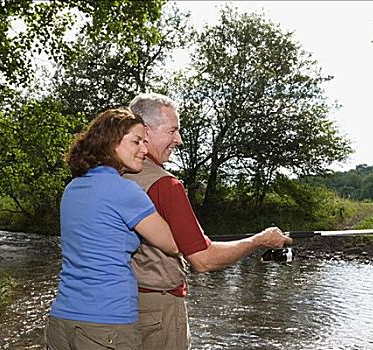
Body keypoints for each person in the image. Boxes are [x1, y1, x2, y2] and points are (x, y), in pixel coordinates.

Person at [124, 93, 293, 350]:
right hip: (159, 313)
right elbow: (203, 260)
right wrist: (260, 240)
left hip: (118, 307)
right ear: (145, 132)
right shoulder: (166, 185)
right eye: (173, 130)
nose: (178, 140)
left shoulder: (111, 175)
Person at [46, 108, 179, 350]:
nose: (144, 149)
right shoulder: (125, 191)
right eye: (136, 141)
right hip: (107, 323)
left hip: (62, 319)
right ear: (110, 143)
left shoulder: (72, 188)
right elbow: (175, 243)